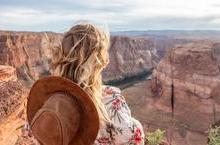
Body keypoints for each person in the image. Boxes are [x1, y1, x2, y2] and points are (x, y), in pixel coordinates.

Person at [26, 23, 145, 145]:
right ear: (98, 62)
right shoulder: (111, 99)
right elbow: (133, 137)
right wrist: (137, 124)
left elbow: (30, 131)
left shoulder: (44, 105)